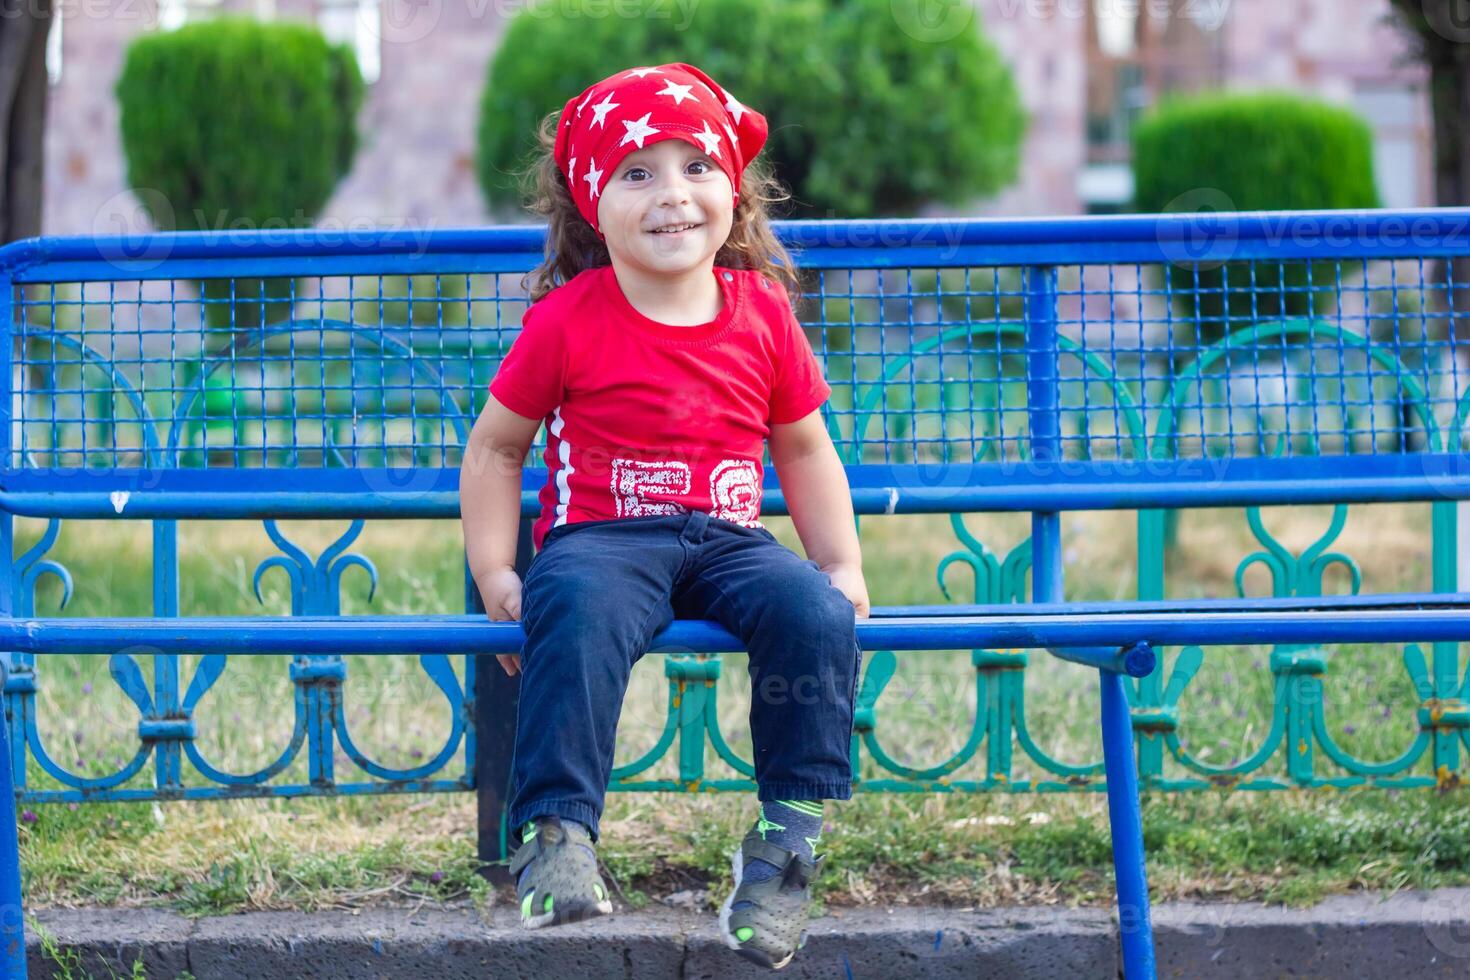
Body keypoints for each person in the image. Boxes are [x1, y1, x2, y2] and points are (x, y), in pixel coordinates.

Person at [459, 61, 869, 971]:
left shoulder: (762, 312)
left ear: (734, 191)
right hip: (602, 542)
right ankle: (558, 833)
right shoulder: (567, 319)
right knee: (575, 611)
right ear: (593, 204)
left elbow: (803, 449)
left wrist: (840, 563)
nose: (672, 195)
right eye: (637, 173)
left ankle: (785, 842)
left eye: (697, 167)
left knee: (816, 614)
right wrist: (497, 569)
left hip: (730, 542)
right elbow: (495, 450)